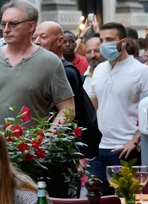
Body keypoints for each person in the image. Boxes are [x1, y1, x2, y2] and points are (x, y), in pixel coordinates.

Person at [86, 22, 148, 193]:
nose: (104, 44)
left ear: (123, 42)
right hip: (98, 150)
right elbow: (93, 109)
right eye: (102, 39)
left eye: (110, 39)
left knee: (126, 201)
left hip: (124, 151)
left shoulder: (142, 71)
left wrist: (135, 140)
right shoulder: (98, 70)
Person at [0, 0, 73, 125]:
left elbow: (68, 108)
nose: (6, 30)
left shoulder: (50, 62)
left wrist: (49, 138)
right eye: (3, 24)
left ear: (31, 26)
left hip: (31, 144)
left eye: (13, 24)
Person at [33, 21, 101, 159]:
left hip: (66, 150)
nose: (37, 42)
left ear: (60, 41)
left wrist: (45, 143)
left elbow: (62, 112)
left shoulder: (66, 72)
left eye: (43, 37)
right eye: (34, 38)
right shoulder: (39, 70)